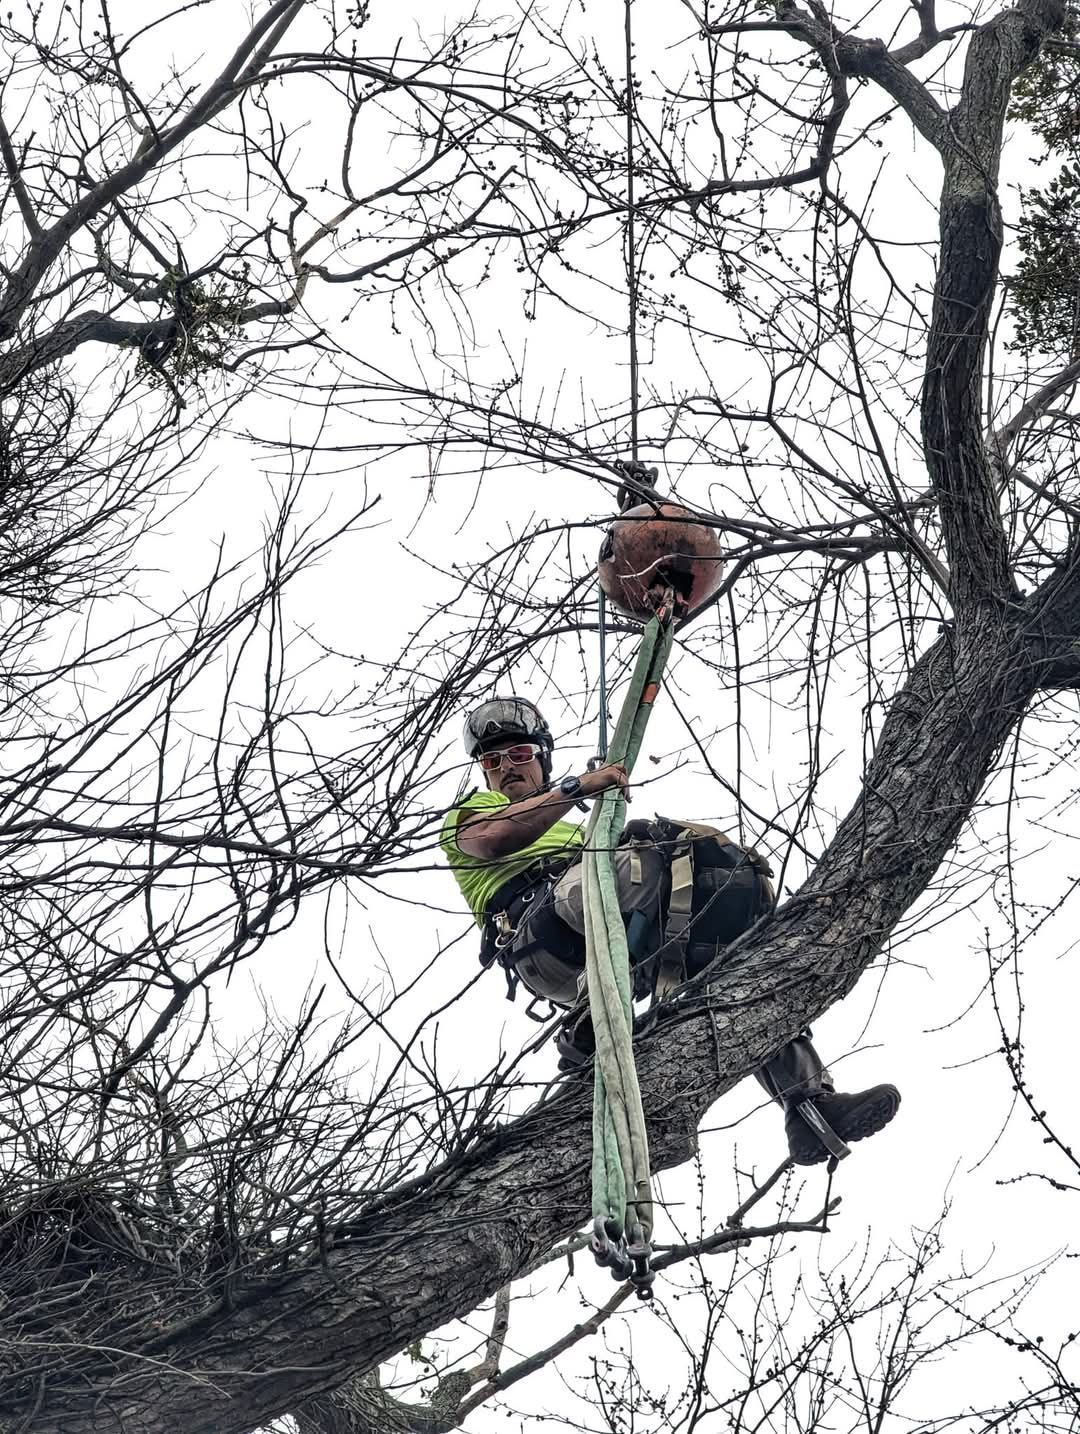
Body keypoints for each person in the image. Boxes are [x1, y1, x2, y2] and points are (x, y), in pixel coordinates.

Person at [440, 695, 900, 1165]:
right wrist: (580, 788)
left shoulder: (581, 831)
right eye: (493, 760)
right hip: (544, 930)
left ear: (541, 757)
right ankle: (592, 1010)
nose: (507, 767)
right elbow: (495, 838)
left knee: (735, 934)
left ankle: (808, 1107)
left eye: (519, 755)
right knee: (642, 864)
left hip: (617, 930)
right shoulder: (475, 812)